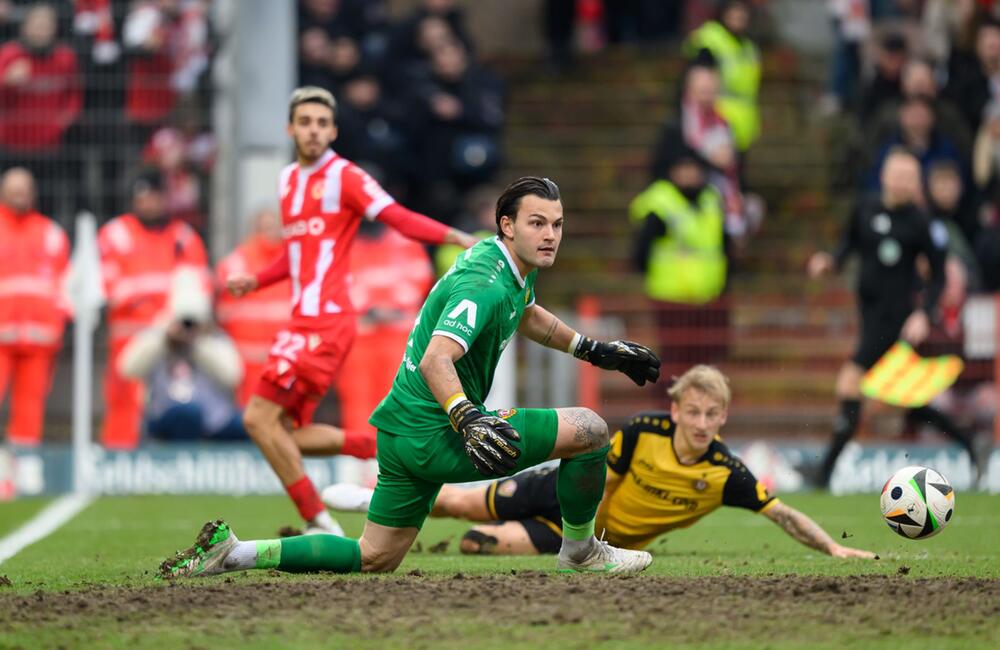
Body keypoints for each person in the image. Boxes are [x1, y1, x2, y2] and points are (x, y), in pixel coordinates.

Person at [161, 176, 662, 578]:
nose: (550, 234)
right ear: (507, 225)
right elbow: (436, 360)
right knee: (591, 431)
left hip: (401, 432)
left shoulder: (505, 264)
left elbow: (527, 313)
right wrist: (467, 417)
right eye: (537, 223)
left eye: (556, 223)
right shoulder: (484, 284)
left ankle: (235, 553)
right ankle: (580, 552)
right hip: (436, 431)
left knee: (373, 556)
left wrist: (592, 349)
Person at [220, 86, 476, 536]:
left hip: (327, 321)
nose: (314, 131)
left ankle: (319, 521)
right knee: (285, 433)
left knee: (256, 418)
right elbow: (297, 255)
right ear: (291, 129)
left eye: (322, 123)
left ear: (333, 130)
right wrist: (256, 281)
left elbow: (396, 216)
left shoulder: (346, 177)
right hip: (302, 321)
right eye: (306, 123)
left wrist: (453, 236)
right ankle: (386, 446)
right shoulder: (287, 182)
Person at [323, 366, 876, 560]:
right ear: (676, 409)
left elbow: (779, 512)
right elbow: (598, 483)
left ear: (723, 418)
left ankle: (388, 509)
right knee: (459, 501)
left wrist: (831, 546)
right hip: (566, 501)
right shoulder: (643, 433)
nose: (702, 422)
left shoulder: (726, 473)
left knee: (475, 542)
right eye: (694, 411)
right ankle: (375, 499)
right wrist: (585, 538)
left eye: (713, 414)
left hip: (586, 536)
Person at [805, 149, 991, 488]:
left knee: (850, 381)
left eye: (911, 177)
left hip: (897, 321)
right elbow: (848, 245)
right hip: (869, 315)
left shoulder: (922, 223)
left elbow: (938, 277)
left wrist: (924, 313)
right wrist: (829, 262)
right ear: (885, 175)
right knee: (909, 403)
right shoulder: (865, 207)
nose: (904, 182)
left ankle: (824, 473)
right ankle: (969, 442)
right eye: (899, 174)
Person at [97, 169, 209, 449]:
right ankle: (118, 460)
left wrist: (180, 322)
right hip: (128, 336)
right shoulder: (116, 233)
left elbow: (198, 287)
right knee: (124, 400)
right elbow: (109, 287)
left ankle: (168, 463)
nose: (149, 204)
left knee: (178, 398)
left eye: (155, 197)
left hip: (175, 339)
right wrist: (147, 302)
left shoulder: (182, 236)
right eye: (143, 198)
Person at [631, 147, 728, 378]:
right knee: (673, 361)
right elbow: (640, 252)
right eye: (683, 168)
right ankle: (668, 408)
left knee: (703, 362)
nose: (689, 174)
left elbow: (722, 245)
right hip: (671, 296)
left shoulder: (711, 200)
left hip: (708, 296)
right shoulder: (661, 201)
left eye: (693, 168)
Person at [334, 219, 434, 441]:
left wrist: (388, 307)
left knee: (399, 398)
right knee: (357, 400)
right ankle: (362, 460)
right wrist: (369, 308)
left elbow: (420, 278)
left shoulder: (405, 242)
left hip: (398, 336)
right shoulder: (343, 244)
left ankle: (397, 459)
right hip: (359, 337)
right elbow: (338, 284)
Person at [119, 267, 245, 442]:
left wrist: (198, 344)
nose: (187, 327)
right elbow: (127, 368)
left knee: (251, 422)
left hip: (215, 420)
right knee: (187, 415)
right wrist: (163, 339)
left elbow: (233, 376)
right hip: (168, 416)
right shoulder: (159, 335)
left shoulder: (213, 338)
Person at [0, 167, 70, 446]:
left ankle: (23, 468)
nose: (21, 195)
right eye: (15, 189)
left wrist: (59, 324)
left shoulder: (51, 233)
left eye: (25, 189)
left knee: (30, 407)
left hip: (40, 340)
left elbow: (66, 287)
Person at [0, 2, 82, 220]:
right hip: (11, 146)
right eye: (36, 24)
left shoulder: (65, 58)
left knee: (46, 203)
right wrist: (7, 82)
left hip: (48, 147)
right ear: (25, 27)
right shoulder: (10, 55)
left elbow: (74, 93)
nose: (41, 30)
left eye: (46, 25)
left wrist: (65, 118)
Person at [215, 205, 289, 406]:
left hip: (285, 362)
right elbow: (219, 312)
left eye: (273, 227)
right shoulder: (235, 263)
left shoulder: (292, 262)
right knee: (249, 420)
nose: (269, 234)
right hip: (246, 363)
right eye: (264, 228)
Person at [682, 0, 761, 152]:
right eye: (734, 11)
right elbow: (699, 80)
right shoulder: (712, 38)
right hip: (716, 116)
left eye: (742, 12)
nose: (739, 16)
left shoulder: (749, 47)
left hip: (744, 119)